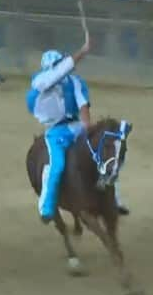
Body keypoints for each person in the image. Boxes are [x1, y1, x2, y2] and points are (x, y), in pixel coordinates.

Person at [25, 34, 128, 223]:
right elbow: (56, 75)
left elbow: (82, 103)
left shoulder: (75, 81)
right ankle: (46, 205)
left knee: (105, 154)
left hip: (76, 126)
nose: (64, 70)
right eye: (60, 66)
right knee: (56, 165)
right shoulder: (40, 82)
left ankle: (115, 198)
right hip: (55, 131)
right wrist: (83, 51)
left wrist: (86, 125)